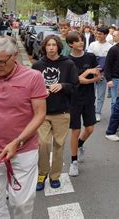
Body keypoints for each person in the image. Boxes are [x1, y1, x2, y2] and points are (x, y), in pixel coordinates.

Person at [0, 37, 47, 218]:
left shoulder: (33, 77)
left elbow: (40, 114)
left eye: (0, 62)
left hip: (24, 149)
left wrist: (18, 141)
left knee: (21, 203)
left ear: (14, 56)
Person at [31, 35, 79, 191]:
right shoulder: (37, 65)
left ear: (58, 47)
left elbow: (75, 86)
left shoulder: (68, 64)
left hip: (62, 112)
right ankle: (42, 173)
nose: (51, 47)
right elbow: (30, 88)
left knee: (59, 145)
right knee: (43, 144)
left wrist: (63, 85)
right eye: (48, 45)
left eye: (54, 45)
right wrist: (41, 90)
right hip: (42, 113)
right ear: (44, 47)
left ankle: (55, 176)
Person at [66, 31, 101, 177]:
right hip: (73, 99)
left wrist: (89, 79)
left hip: (88, 97)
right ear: (70, 44)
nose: (81, 42)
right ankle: (73, 162)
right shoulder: (67, 61)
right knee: (75, 131)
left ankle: (80, 145)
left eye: (82, 40)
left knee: (90, 129)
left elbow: (98, 76)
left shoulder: (90, 57)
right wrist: (87, 73)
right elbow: (74, 81)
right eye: (77, 41)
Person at [87, 26, 113, 122]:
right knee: (90, 94)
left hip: (103, 74)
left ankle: (98, 112)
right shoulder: (92, 45)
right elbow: (89, 59)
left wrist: (105, 73)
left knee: (100, 95)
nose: (98, 35)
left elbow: (109, 63)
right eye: (97, 33)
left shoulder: (110, 47)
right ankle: (90, 111)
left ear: (106, 35)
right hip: (92, 72)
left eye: (100, 34)